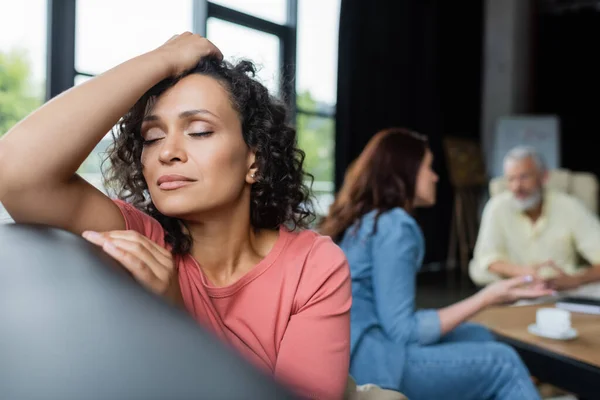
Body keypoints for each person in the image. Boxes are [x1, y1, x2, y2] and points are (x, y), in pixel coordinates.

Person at [0, 33, 351, 399]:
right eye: (152, 137)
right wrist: (164, 58)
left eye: (199, 130)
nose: (167, 151)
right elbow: (15, 171)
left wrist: (176, 315)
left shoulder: (313, 266)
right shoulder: (143, 240)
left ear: (255, 160)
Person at [319, 128, 553, 400]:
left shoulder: (369, 220)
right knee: (504, 361)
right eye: (428, 167)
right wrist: (488, 297)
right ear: (406, 172)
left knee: (480, 336)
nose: (435, 176)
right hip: (376, 362)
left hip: (357, 351)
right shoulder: (395, 226)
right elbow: (403, 331)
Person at [469, 145, 600, 291]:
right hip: (514, 291)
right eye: (511, 179)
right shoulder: (496, 207)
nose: (517, 187)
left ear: (543, 177)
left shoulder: (569, 206)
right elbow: (487, 259)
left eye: (524, 177)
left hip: (563, 292)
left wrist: (575, 280)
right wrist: (528, 274)